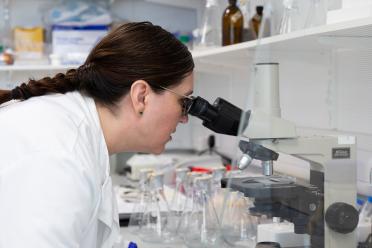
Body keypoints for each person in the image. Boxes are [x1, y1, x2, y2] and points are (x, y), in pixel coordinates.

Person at [0, 22, 194, 248]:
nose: (185, 118)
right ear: (141, 96)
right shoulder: (60, 155)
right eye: (184, 102)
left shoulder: (85, 135)